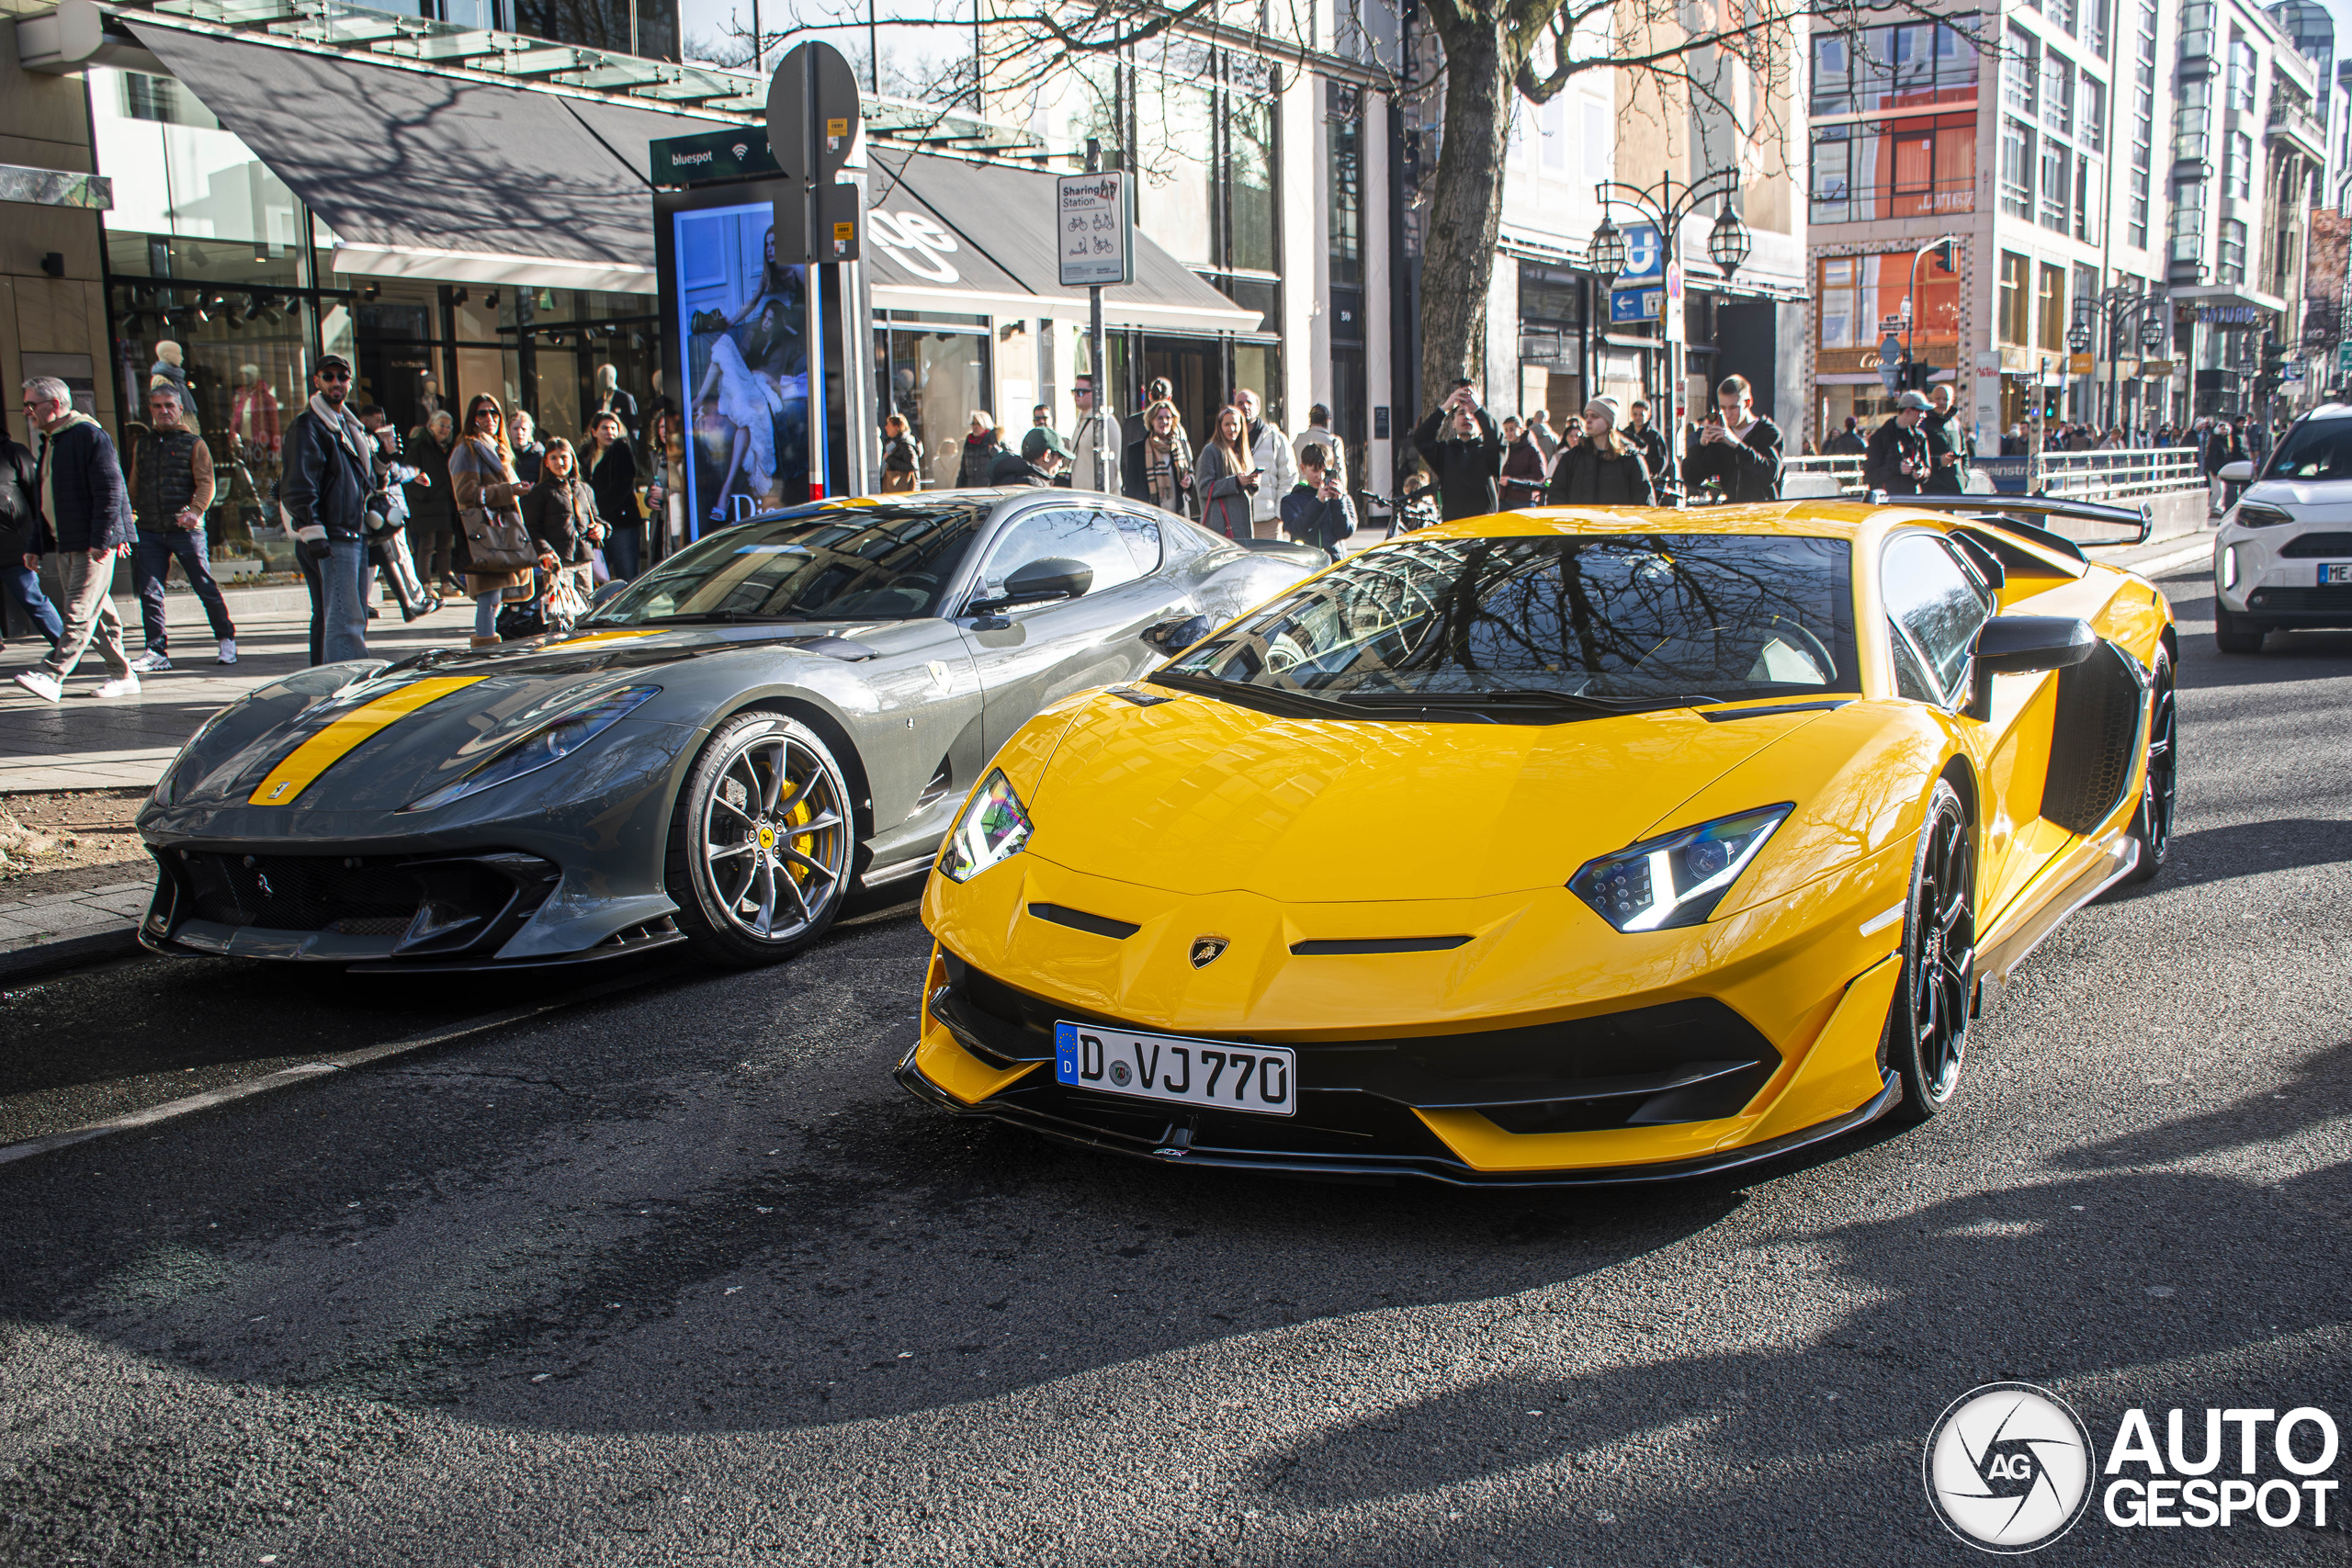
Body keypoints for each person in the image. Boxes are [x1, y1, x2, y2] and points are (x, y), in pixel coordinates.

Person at [13, 377, 137, 703]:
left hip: (90, 546)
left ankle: (53, 674)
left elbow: (111, 489)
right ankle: (124, 675)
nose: (27, 412)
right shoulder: (53, 441)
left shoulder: (88, 435)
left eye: (31, 405)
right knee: (98, 612)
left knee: (79, 609)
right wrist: (36, 547)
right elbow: (46, 498)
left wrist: (103, 538)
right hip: (67, 542)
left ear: (54, 405)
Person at [125, 384, 237, 671]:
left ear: (179, 410)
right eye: (158, 406)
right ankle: (156, 651)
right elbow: (134, 485)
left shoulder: (194, 443)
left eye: (169, 406)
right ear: (151, 410)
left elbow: (206, 482)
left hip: (186, 529)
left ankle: (226, 639)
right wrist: (129, 519)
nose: (164, 411)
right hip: (149, 528)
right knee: (150, 592)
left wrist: (195, 511)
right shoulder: (144, 444)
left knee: (204, 586)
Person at [281, 356, 374, 666]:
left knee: (345, 615)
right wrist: (311, 529)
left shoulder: (349, 426)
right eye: (329, 377)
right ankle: (346, 687)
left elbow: (364, 480)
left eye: (343, 377)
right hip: (332, 534)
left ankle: (328, 685)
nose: (337, 383)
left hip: (354, 531)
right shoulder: (309, 425)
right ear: (317, 381)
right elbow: (298, 481)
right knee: (344, 619)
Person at [449, 393, 536, 649]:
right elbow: (465, 494)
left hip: (504, 532)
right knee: (488, 599)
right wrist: (509, 491)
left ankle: (489, 649)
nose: (490, 418)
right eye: (482, 413)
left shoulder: (499, 449)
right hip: (486, 533)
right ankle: (485, 652)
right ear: (472, 419)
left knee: (495, 600)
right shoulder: (467, 448)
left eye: (494, 413)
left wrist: (516, 489)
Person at [357, 405, 440, 624]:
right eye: (376, 420)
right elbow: (388, 471)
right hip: (381, 508)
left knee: (377, 558)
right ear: (365, 422)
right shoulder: (367, 441)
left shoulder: (370, 440)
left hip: (379, 508)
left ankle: (370, 603)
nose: (381, 424)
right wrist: (412, 472)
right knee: (396, 554)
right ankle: (414, 599)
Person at [0, 410, 63, 657]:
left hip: (12, 544)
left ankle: (65, 650)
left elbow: (37, 496)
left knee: (31, 598)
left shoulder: (13, 452)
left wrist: (38, 539)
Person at [522, 436, 602, 619]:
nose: (560, 462)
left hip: (584, 560)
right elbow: (532, 528)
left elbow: (597, 519)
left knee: (587, 614)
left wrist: (601, 529)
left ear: (572, 459)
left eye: (564, 457)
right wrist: (546, 552)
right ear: (546, 462)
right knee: (561, 616)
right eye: (554, 457)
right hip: (558, 563)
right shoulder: (541, 492)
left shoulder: (584, 489)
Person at [1411, 380, 1503, 521]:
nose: (1467, 417)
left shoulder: (1488, 453)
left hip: (1485, 530)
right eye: (1461, 413)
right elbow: (1421, 439)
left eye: (1471, 413)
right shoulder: (1443, 453)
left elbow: (1497, 441)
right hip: (1454, 530)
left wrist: (1478, 409)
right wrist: (1445, 408)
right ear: (1453, 424)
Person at [1681, 375, 1783, 502]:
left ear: (1748, 403)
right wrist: (1701, 446)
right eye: (1723, 408)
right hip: (1732, 514)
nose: (1728, 414)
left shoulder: (1769, 433)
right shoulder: (1721, 436)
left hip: (1762, 514)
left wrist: (1736, 443)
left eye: (1733, 407)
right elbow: (1692, 478)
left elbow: (1770, 474)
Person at [1545, 396, 1655, 506]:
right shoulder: (1573, 457)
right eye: (1586, 416)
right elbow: (1556, 494)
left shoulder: (1630, 459)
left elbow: (1644, 501)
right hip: (1580, 522)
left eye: (1595, 416)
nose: (1588, 421)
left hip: (1618, 522)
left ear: (1608, 422)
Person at [1232, 388, 1296, 538]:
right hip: (1237, 521)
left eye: (1249, 402)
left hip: (1268, 520)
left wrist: (1280, 512)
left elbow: (1289, 476)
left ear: (1258, 408)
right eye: (1240, 403)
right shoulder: (1229, 439)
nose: (1245, 406)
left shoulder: (1275, 438)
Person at [582, 411, 639, 579]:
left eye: (614, 428)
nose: (610, 432)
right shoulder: (586, 455)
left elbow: (622, 487)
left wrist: (597, 509)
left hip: (620, 522)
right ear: (594, 431)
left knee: (627, 575)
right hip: (595, 525)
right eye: (605, 428)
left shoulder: (622, 451)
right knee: (598, 575)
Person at [406, 409, 458, 592]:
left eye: (448, 426)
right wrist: (423, 494)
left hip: (444, 503)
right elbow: (409, 473)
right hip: (425, 503)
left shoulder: (448, 449)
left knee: (445, 545)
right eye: (441, 425)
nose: (444, 429)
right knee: (426, 546)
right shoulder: (419, 445)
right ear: (431, 425)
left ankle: (446, 583)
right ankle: (425, 584)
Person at [1193, 405, 1260, 538]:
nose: (1232, 429)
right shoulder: (1211, 451)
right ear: (1220, 427)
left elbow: (1247, 491)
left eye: (1235, 424)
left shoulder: (1243, 451)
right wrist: (1235, 482)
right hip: (1220, 526)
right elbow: (1204, 488)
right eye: (1227, 424)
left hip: (1242, 523)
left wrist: (1253, 483)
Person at [1122, 399, 1194, 517]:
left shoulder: (1180, 446)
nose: (1164, 422)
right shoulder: (1137, 450)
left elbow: (1191, 473)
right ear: (1151, 420)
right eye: (1159, 418)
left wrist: (1189, 480)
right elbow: (1131, 488)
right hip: (1149, 515)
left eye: (1168, 418)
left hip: (1178, 514)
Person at [1281, 443, 1357, 552]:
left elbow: (1345, 532)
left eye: (1325, 472)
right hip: (1305, 560)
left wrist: (1338, 502)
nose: (1320, 477)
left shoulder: (1343, 498)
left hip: (1334, 561)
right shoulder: (1291, 501)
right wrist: (1318, 502)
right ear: (1303, 468)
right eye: (1314, 471)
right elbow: (1297, 531)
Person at [1864, 390, 1934, 495]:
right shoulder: (1880, 437)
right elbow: (1870, 475)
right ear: (1908, 411)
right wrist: (1896, 469)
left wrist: (1922, 473)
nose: (1924, 415)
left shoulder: (1919, 436)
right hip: (1887, 499)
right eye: (1921, 411)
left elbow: (1928, 470)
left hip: (1912, 498)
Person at [1069, 373, 1121, 493]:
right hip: (1082, 500)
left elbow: (1112, 468)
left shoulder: (1106, 423)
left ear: (1096, 393)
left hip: (1099, 502)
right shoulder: (1082, 421)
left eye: (1081, 392)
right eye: (1075, 392)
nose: (1076, 396)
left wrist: (1103, 499)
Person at [1922, 383, 1968, 495]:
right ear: (1931, 399)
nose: (1941, 402)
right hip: (1932, 489)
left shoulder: (1955, 423)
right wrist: (1938, 462)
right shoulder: (1923, 424)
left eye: (1945, 399)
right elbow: (1919, 456)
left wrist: (1964, 477)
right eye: (1938, 398)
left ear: (1952, 401)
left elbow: (1964, 454)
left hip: (1955, 488)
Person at [989, 425, 1071, 486]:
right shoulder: (1035, 486)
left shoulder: (1004, 476)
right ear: (1047, 456)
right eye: (1060, 457)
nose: (1061, 463)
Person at [230, 365, 280, 461]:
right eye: (242, 375)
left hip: (261, 444)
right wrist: (232, 436)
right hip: (243, 443)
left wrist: (275, 449)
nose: (244, 377)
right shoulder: (238, 397)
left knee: (261, 470)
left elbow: (274, 424)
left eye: (247, 375)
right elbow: (234, 419)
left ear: (253, 376)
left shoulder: (266, 398)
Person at [1623, 400, 1671, 497]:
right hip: (1628, 481)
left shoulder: (1654, 436)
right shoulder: (1625, 434)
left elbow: (1661, 459)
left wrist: (1652, 473)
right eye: (1635, 414)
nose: (1637, 418)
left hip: (1647, 480)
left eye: (1641, 415)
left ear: (1649, 415)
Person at [1293, 402, 1346, 488]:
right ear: (1327, 420)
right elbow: (1339, 472)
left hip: (1300, 492)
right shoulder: (1334, 441)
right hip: (1324, 491)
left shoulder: (1298, 440)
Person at [1499, 416, 1547, 507]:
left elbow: (1539, 477)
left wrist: (1513, 480)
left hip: (1524, 500)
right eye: (1506, 430)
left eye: (1512, 429)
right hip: (1503, 499)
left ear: (1520, 430)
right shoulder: (1504, 449)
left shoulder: (1531, 450)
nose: (1509, 433)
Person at [149, 341, 198, 418]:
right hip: (177, 428)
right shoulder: (161, 380)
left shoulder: (176, 379)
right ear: (168, 355)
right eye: (178, 354)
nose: (182, 358)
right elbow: (165, 414)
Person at [590, 364, 637, 442]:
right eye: (599, 377)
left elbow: (633, 425)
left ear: (611, 377)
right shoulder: (600, 401)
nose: (600, 380)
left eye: (603, 376)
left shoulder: (625, 398)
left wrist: (632, 444)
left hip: (621, 443)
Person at [957, 412, 1004, 487]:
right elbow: (963, 469)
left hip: (990, 489)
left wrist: (995, 452)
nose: (975, 426)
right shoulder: (969, 441)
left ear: (985, 425)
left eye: (978, 424)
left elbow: (1006, 462)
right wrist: (959, 486)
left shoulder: (994, 440)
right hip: (971, 489)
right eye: (973, 423)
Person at [879, 413, 919, 493]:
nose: (886, 427)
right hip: (896, 489)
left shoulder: (905, 445)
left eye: (888, 425)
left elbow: (911, 466)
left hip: (901, 489)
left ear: (896, 427)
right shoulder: (893, 445)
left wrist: (889, 459)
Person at [508, 407, 546, 484]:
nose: (519, 433)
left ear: (530, 432)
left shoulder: (539, 454)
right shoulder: (504, 454)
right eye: (515, 428)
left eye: (523, 429)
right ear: (508, 430)